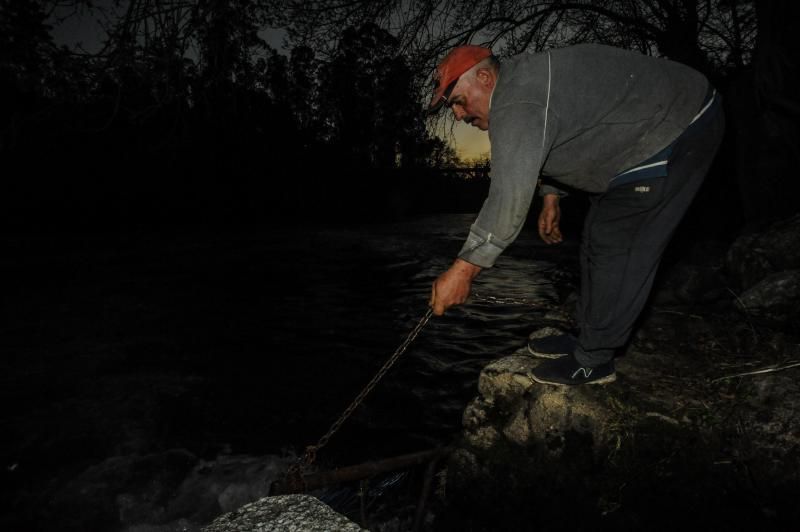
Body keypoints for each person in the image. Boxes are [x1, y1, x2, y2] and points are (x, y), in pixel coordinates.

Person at [427, 43, 725, 386]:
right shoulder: (522, 88)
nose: (459, 116)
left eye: (458, 102)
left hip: (679, 122)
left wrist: (463, 272)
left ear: (484, 77)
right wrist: (551, 196)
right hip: (633, 141)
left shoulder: (516, 102)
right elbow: (567, 130)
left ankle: (595, 360)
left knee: (616, 241)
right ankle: (588, 337)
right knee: (595, 236)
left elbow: (507, 198)